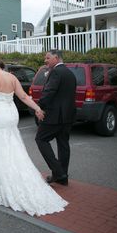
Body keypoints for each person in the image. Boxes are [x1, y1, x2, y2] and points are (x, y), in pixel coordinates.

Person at [0, 57, 68, 217]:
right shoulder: (12, 77)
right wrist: (37, 109)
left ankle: (3, 176)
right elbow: (23, 97)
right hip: (11, 114)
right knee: (11, 143)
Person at [36, 49, 76, 186]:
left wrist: (39, 107)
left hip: (54, 116)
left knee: (41, 139)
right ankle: (63, 178)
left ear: (57, 58)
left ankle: (58, 172)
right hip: (68, 116)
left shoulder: (56, 72)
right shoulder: (70, 73)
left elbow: (49, 91)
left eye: (48, 58)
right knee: (63, 144)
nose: (45, 60)